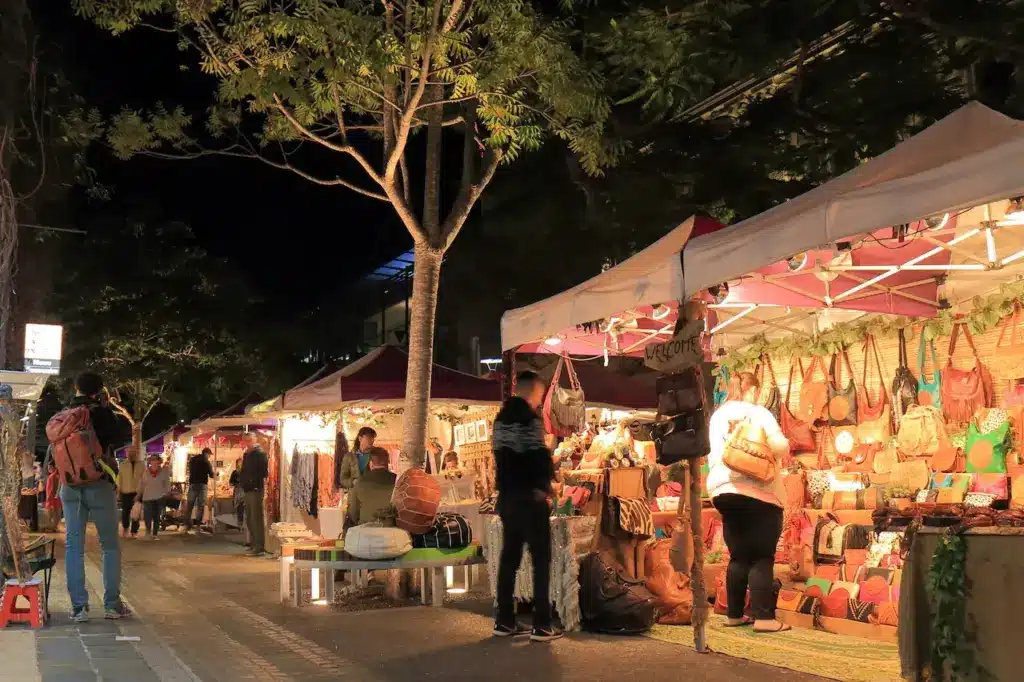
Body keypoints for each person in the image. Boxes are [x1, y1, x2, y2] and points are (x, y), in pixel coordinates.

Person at [706, 371, 791, 633]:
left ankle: (734, 615)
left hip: (724, 491)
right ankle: (764, 618)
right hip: (759, 490)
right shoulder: (759, 413)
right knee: (762, 556)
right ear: (752, 390)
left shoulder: (717, 416)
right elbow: (780, 446)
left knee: (739, 556)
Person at [492, 370, 561, 642]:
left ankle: (504, 620)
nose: (540, 400)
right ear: (533, 391)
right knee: (540, 560)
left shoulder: (500, 420)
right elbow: (535, 457)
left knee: (509, 558)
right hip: (530, 498)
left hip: (508, 497)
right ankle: (542, 624)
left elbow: (501, 459)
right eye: (540, 395)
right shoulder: (530, 420)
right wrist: (546, 485)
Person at [58, 371, 130, 622]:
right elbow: (120, 439)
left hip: (70, 486)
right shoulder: (101, 413)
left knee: (73, 547)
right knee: (109, 546)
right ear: (98, 390)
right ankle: (112, 605)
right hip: (99, 483)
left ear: (76, 387)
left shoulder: (65, 415)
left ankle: (79, 608)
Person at [345, 449, 397, 528]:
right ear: (387, 463)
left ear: (371, 463)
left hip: (365, 531)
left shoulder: (358, 482)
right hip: (392, 531)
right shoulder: (398, 481)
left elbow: (353, 513)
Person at [239, 437, 269, 557]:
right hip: (247, 488)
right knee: (250, 518)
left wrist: (253, 482)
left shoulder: (259, 454)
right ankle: (253, 544)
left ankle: (259, 546)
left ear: (253, 440)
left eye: (247, 440)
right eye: (245, 441)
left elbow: (263, 471)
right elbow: (244, 470)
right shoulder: (247, 454)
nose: (246, 443)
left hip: (255, 488)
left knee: (256, 518)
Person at [137, 454, 171, 540]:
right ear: (150, 462)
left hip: (159, 497)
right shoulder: (145, 472)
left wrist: (167, 492)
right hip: (147, 497)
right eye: (152, 460)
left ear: (159, 461)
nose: (154, 462)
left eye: (156, 460)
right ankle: (148, 532)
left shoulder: (164, 471)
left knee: (157, 516)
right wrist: (138, 494)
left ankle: (155, 534)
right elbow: (142, 485)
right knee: (147, 516)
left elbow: (167, 483)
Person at [184, 448, 214, 533]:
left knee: (190, 505)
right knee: (201, 505)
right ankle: (197, 525)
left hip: (193, 484)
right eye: (209, 455)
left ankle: (187, 524)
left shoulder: (193, 460)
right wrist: (216, 474)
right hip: (202, 485)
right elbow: (211, 475)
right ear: (206, 453)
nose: (209, 456)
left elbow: (190, 470)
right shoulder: (206, 461)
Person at [117, 448, 144, 538]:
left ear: (136, 453)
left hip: (137, 492)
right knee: (125, 512)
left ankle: (134, 531)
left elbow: (143, 480)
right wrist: (118, 492)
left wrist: (140, 493)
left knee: (136, 513)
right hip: (125, 492)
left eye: (133, 452)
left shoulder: (141, 465)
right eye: (129, 453)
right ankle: (125, 529)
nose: (131, 454)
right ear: (126, 454)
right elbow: (119, 480)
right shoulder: (122, 465)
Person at [229, 457, 245, 530]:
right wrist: (236, 483)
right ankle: (240, 525)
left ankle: (243, 525)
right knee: (239, 508)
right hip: (238, 491)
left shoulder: (246, 472)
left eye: (241, 462)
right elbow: (231, 483)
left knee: (244, 508)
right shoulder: (234, 472)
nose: (240, 464)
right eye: (239, 462)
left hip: (245, 492)